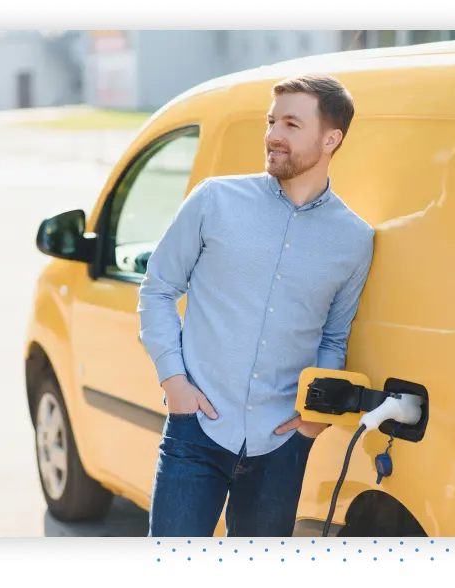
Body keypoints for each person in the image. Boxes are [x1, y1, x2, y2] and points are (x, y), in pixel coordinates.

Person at [137, 74, 375, 537]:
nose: (272, 135)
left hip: (282, 444)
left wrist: (313, 420)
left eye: (290, 123)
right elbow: (158, 288)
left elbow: (334, 334)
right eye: (271, 121)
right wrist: (174, 383)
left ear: (331, 139)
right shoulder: (215, 200)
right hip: (196, 431)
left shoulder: (354, 238)